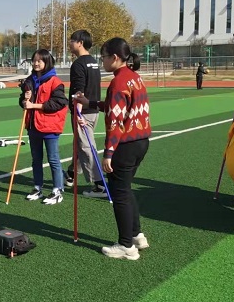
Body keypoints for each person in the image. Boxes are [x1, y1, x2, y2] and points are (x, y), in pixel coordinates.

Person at [76, 37, 151, 260]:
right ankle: (136, 234)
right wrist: (89, 102)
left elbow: (116, 121)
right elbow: (114, 107)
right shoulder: (134, 77)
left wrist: (108, 153)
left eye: (104, 57)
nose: (103, 61)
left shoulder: (119, 81)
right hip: (141, 141)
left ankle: (126, 245)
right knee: (125, 189)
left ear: (115, 57)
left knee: (119, 194)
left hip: (125, 145)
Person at [19, 49, 68, 205]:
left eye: (39, 60)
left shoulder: (55, 81)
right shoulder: (29, 80)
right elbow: (22, 101)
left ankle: (57, 190)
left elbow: (58, 103)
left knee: (53, 159)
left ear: (47, 62)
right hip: (33, 125)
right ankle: (37, 187)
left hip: (50, 126)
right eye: (34, 60)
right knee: (36, 159)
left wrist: (34, 105)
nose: (36, 63)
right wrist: (24, 101)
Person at [66, 30, 105, 197]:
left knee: (86, 146)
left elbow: (79, 92)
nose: (70, 43)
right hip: (93, 110)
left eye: (72, 40)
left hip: (84, 111)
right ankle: (71, 174)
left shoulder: (78, 64)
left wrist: (78, 114)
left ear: (80, 43)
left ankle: (100, 184)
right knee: (80, 144)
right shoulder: (93, 62)